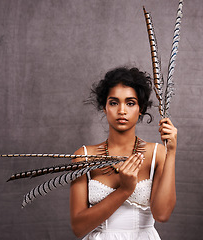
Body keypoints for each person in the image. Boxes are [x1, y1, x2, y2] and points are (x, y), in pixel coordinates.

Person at [70, 67, 177, 239]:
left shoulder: (157, 154)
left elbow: (162, 215)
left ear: (140, 108)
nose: (122, 110)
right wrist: (124, 190)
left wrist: (171, 152)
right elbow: (78, 228)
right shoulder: (83, 157)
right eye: (113, 102)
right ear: (104, 107)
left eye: (130, 103)